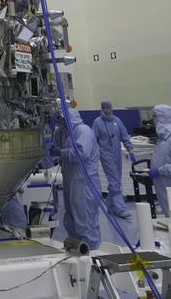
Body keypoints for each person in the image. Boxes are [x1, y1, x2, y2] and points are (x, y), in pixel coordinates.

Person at [58, 106, 102, 249]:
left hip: (85, 182)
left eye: (62, 119)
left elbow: (82, 154)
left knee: (85, 219)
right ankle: (78, 250)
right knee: (71, 218)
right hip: (71, 180)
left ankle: (93, 254)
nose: (60, 122)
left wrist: (62, 153)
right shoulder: (66, 132)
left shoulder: (83, 131)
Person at [91, 101, 136, 218]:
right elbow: (93, 141)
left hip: (116, 154)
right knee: (114, 180)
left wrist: (130, 150)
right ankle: (120, 208)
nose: (107, 110)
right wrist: (94, 156)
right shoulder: (97, 122)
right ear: (101, 109)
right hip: (105, 155)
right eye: (104, 108)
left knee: (117, 180)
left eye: (109, 107)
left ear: (112, 108)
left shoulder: (117, 120)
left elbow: (125, 135)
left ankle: (110, 205)